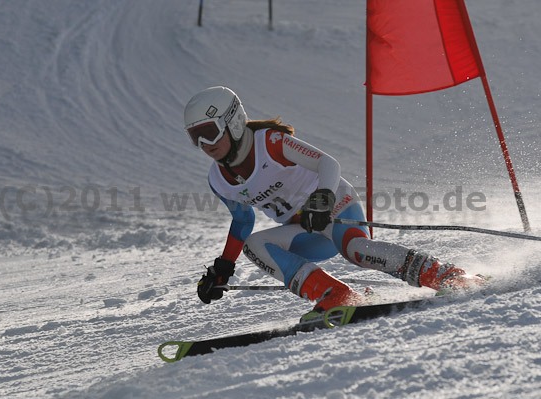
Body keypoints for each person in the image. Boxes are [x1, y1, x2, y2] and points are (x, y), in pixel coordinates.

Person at [184, 86, 485, 317]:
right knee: (254, 244)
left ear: (232, 122)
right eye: (195, 138)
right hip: (306, 231)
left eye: (209, 134)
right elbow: (243, 222)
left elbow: (328, 164)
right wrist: (223, 267)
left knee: (356, 251)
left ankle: (446, 275)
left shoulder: (269, 143)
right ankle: (336, 295)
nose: (204, 146)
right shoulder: (219, 180)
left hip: (336, 207)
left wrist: (322, 199)